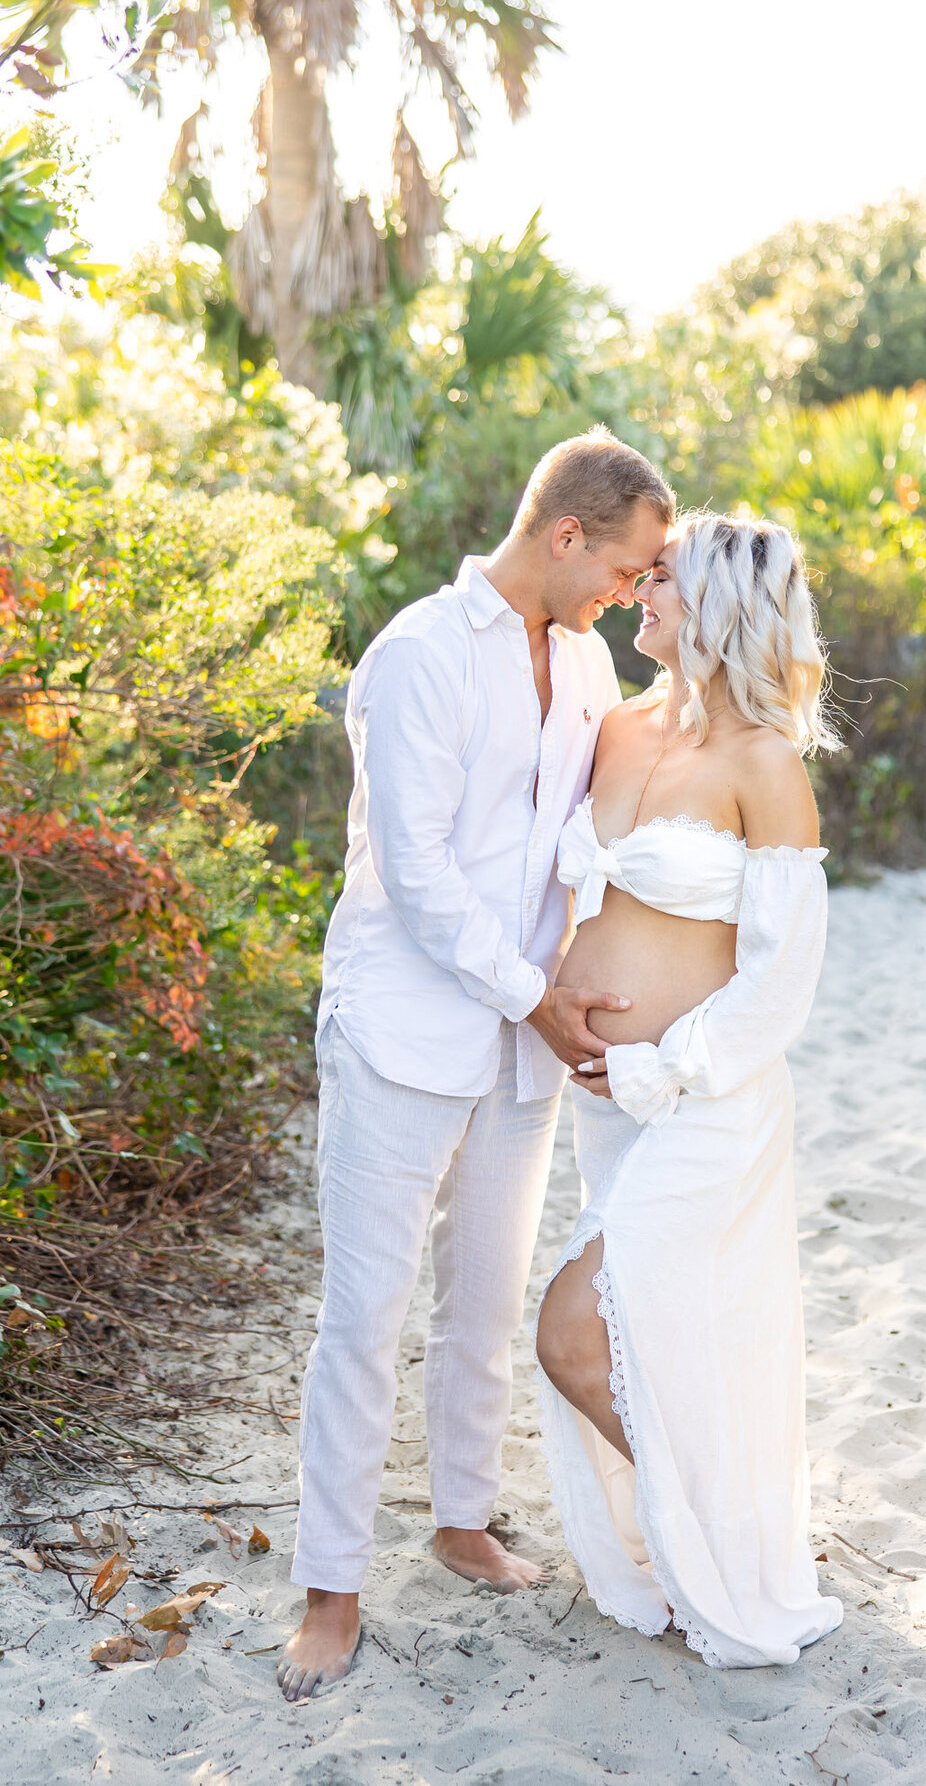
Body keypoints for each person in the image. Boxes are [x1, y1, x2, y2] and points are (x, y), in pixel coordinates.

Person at [277, 429, 675, 1702]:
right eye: (624, 565)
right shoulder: (417, 656)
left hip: (525, 1048)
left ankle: (459, 1518)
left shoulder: (589, 665)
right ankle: (329, 1588)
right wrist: (537, 997)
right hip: (404, 1027)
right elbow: (417, 867)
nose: (628, 590)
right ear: (566, 535)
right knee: (365, 1317)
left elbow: (586, 843)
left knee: (487, 1300)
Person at [535, 511, 846, 1667]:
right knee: (660, 1336)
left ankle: (717, 1551)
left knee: (573, 1336)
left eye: (659, 580)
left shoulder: (765, 763)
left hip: (707, 1104)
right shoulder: (614, 730)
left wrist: (661, 1065)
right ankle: (705, 1548)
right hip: (603, 1111)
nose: (637, 595)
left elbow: (782, 983)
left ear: (713, 604)